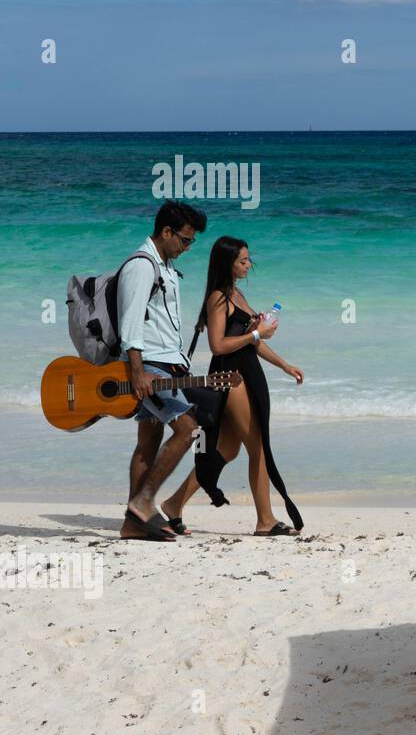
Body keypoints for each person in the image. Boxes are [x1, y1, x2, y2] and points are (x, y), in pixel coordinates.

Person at [161, 236, 305, 536]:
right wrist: (254, 335)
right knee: (258, 448)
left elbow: (254, 343)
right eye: (242, 260)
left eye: (248, 259)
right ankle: (265, 520)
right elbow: (218, 345)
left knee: (226, 449)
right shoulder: (218, 298)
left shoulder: (237, 294)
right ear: (227, 263)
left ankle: (174, 504)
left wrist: (284, 364)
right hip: (231, 377)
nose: (248, 264)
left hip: (247, 372)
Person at [119, 200, 207, 542]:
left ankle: (133, 523)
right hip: (150, 366)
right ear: (166, 232)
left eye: (192, 242)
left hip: (165, 363)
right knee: (187, 430)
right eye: (185, 240)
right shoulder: (142, 266)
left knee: (148, 441)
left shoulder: (165, 265)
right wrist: (138, 371)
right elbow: (131, 322)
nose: (187, 247)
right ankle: (142, 504)